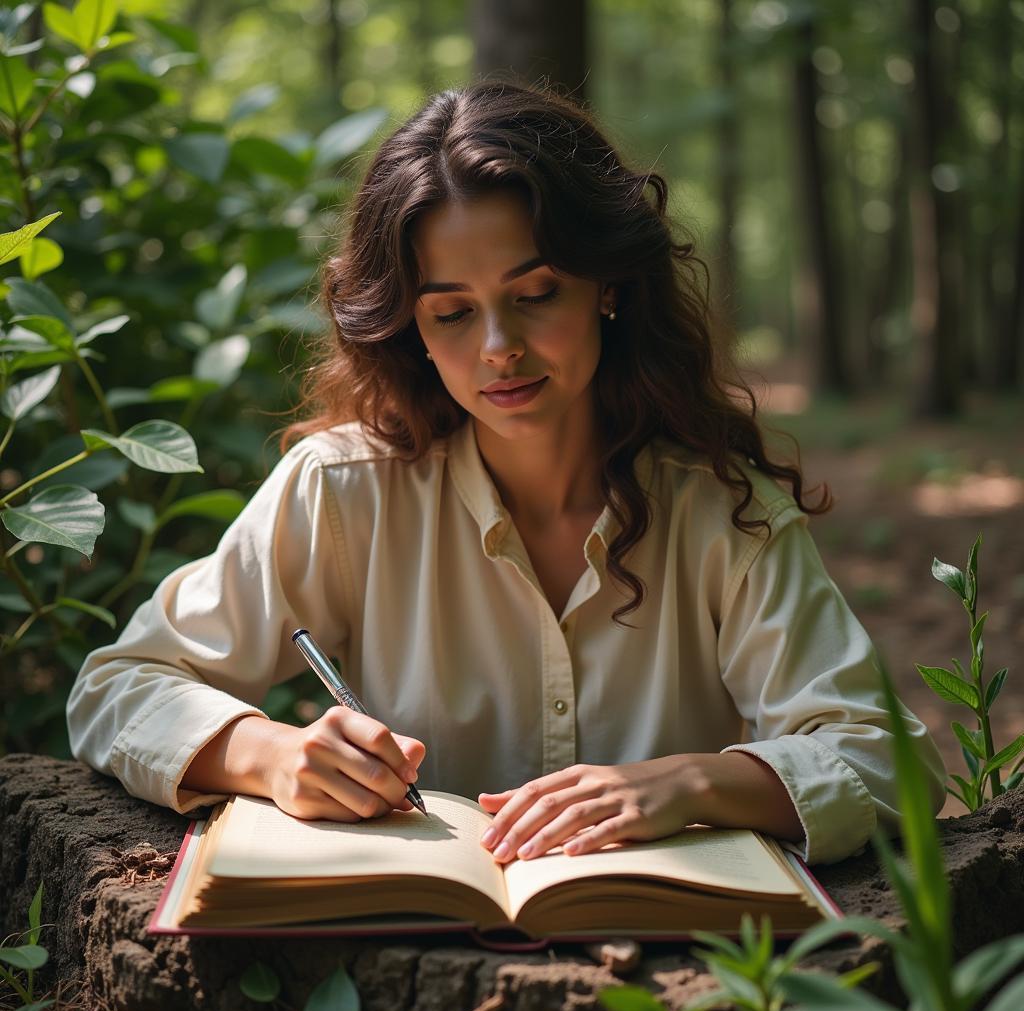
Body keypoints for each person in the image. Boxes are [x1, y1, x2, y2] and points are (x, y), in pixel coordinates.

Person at [67, 78, 945, 868]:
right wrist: (272, 754)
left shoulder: (721, 512)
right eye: (451, 313)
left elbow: (888, 756)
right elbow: (119, 685)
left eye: (535, 295)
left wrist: (692, 783)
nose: (500, 350)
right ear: (410, 327)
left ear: (606, 284)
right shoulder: (342, 491)